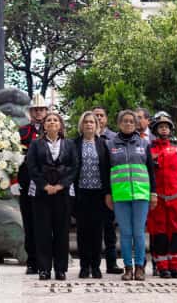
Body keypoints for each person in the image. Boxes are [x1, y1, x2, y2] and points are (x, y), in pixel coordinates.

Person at [105, 110, 157, 281]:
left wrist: (153, 193)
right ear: (119, 123)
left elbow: (150, 170)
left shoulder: (144, 143)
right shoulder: (110, 144)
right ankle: (128, 267)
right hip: (120, 195)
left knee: (139, 232)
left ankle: (140, 268)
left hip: (141, 194)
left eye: (131, 121)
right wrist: (108, 194)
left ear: (135, 124)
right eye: (124, 121)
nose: (128, 124)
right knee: (126, 233)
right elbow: (106, 172)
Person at [27, 111, 77, 281]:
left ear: (61, 125)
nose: (52, 122)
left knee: (62, 232)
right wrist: (45, 185)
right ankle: (44, 269)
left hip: (63, 193)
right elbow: (32, 167)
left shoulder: (69, 144)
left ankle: (61, 269)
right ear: (44, 125)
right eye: (49, 120)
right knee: (42, 232)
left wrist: (61, 185)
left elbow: (74, 167)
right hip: (41, 193)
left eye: (55, 120)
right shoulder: (35, 144)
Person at [147, 112, 177, 279]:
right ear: (155, 129)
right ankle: (162, 266)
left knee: (175, 233)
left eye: (166, 127)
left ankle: (175, 266)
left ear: (170, 130)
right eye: (161, 127)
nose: (164, 129)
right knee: (159, 233)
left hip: (176, 198)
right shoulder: (149, 150)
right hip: (157, 199)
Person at [72, 110, 110, 279]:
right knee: (82, 232)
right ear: (81, 125)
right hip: (81, 193)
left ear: (97, 125)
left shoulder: (103, 144)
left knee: (97, 231)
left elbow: (108, 170)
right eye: (86, 122)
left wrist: (108, 193)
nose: (89, 124)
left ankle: (95, 266)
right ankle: (84, 266)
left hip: (98, 194)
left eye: (92, 122)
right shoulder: (73, 144)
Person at [14, 92, 48, 275]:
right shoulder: (22, 132)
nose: (38, 113)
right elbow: (13, 159)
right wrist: (14, 181)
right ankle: (32, 261)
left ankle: (46, 260)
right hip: (27, 183)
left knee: (46, 224)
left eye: (41, 109)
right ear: (30, 112)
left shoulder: (53, 129)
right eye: (35, 110)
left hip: (48, 184)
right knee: (29, 223)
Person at [92, 105, 121, 274]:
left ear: (106, 119)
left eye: (101, 115)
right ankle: (92, 265)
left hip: (110, 189)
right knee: (92, 228)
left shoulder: (114, 138)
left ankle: (112, 264)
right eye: (95, 115)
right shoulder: (84, 138)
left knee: (110, 228)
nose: (98, 119)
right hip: (91, 189)